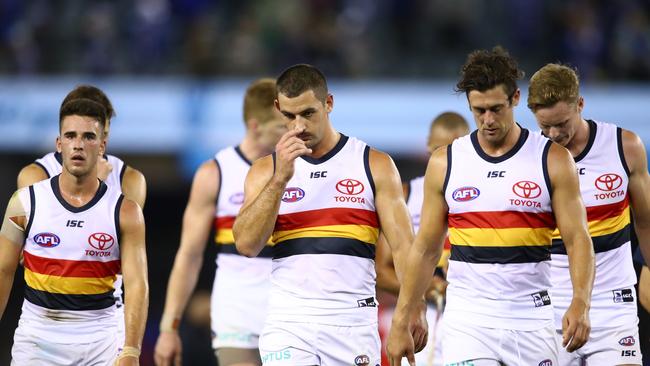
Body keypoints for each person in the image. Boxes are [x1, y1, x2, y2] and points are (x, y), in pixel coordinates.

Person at [387, 46, 595, 366]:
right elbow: (426, 248)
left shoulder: (552, 159)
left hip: (531, 319)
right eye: (478, 110)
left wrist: (581, 301)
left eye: (496, 108)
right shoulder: (447, 162)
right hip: (468, 320)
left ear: (514, 99)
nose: (487, 120)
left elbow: (577, 238)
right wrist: (404, 317)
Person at [232, 64, 426, 365]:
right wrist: (281, 179)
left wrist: (415, 309)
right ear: (276, 108)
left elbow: (404, 249)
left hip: (352, 322)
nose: (298, 127)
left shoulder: (373, 164)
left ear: (329, 103)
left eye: (308, 113)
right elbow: (246, 244)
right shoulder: (265, 171)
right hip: (289, 322)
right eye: (289, 116)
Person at [0, 98, 148, 365]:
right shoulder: (24, 202)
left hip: (102, 339)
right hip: (38, 337)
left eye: (88, 137)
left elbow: (138, 284)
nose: (78, 144)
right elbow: (3, 270)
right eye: (70, 136)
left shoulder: (126, 211)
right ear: (59, 144)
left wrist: (131, 350)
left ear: (102, 145)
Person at [154, 78, 287, 366]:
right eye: (281, 127)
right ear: (255, 126)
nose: (291, 135)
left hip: (289, 312)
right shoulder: (216, 173)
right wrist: (168, 327)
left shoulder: (298, 169)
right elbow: (189, 255)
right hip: (236, 313)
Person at [528, 63, 650, 365]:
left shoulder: (625, 147)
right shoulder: (529, 157)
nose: (554, 134)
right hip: (549, 304)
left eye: (562, 123)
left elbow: (646, 220)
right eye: (545, 126)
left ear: (580, 104)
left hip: (613, 301)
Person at [376, 112, 469, 366]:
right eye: (441, 149)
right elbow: (382, 271)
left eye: (455, 150)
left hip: (472, 312)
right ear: (429, 146)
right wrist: (424, 290)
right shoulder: (407, 194)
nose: (446, 158)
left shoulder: (482, 194)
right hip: (420, 313)